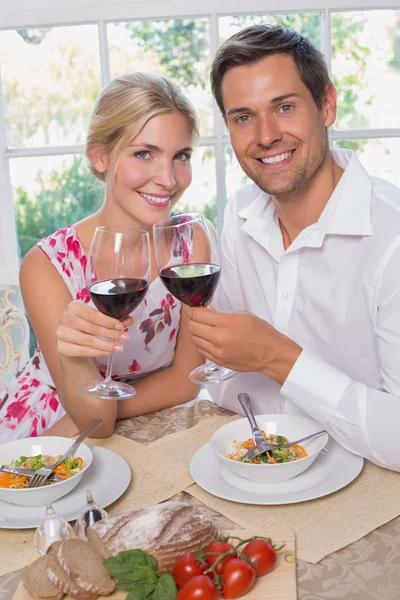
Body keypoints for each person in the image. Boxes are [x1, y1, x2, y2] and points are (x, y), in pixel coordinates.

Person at [187, 24, 400, 472]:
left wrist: (277, 357)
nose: (265, 136)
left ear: (327, 104)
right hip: (256, 467)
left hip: (372, 485)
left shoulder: (392, 237)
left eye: (284, 107)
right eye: (243, 117)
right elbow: (225, 381)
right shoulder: (240, 212)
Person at [0, 72, 205, 442]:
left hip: (130, 422)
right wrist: (93, 406)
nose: (168, 179)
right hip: (52, 428)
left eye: (181, 156)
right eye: (144, 154)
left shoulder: (193, 244)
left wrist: (109, 409)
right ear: (100, 156)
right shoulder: (46, 267)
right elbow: (91, 416)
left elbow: (186, 382)